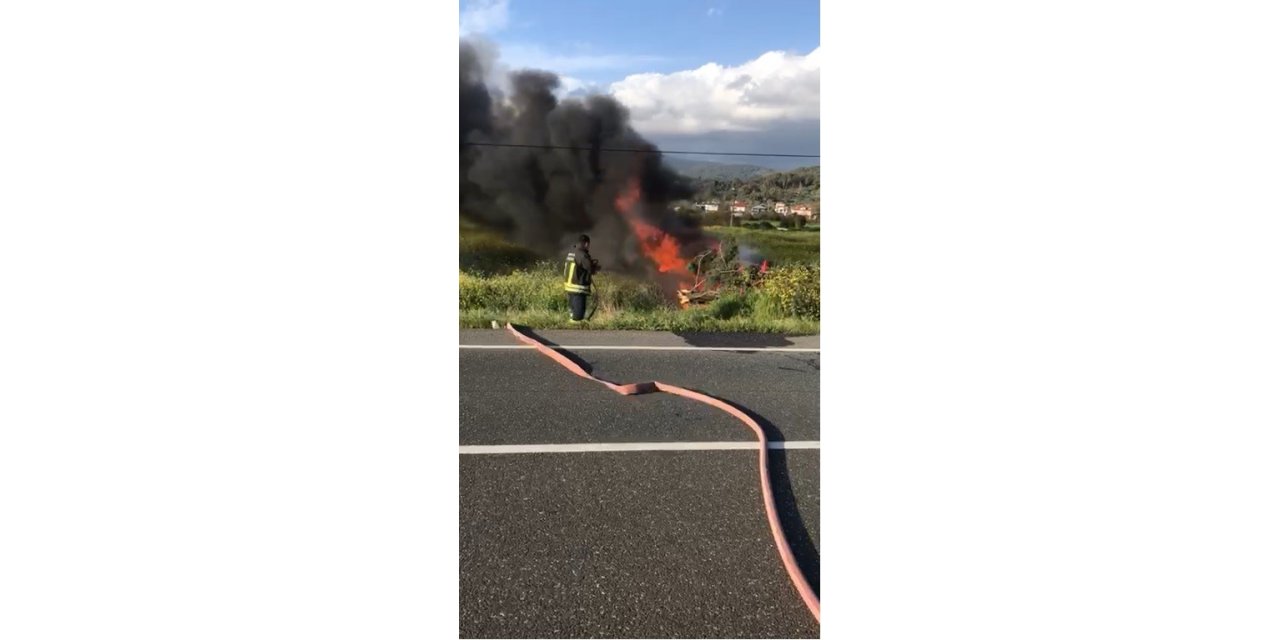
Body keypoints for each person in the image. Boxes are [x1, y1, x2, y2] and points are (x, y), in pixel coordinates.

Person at [563, 234, 598, 323]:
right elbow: (589, 268)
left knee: (573, 311)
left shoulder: (571, 252)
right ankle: (577, 327)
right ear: (586, 244)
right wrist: (595, 267)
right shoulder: (582, 255)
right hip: (578, 287)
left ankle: (572, 323)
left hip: (569, 286)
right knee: (578, 316)